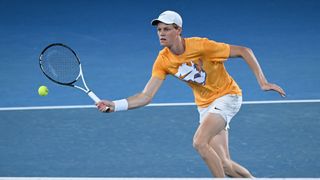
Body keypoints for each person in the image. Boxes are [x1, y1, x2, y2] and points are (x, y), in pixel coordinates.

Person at [96, 10, 286, 178]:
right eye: (159, 30)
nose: (161, 33)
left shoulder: (201, 46)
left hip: (227, 96)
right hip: (205, 105)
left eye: (167, 29)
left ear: (178, 30)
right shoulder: (163, 60)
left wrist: (263, 82)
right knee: (225, 165)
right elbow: (146, 96)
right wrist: (115, 105)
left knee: (199, 142)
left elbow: (245, 51)